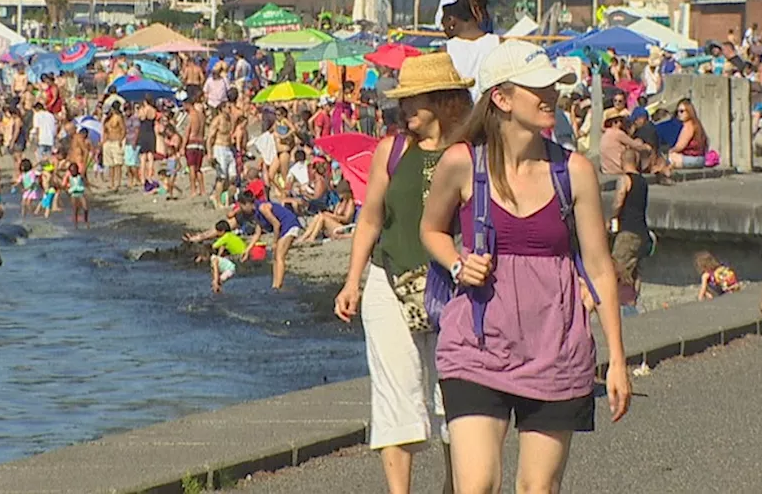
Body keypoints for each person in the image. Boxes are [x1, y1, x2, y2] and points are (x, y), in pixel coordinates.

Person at [419, 40, 631, 494]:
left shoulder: (573, 172)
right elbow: (431, 230)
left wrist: (617, 359)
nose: (551, 95)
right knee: (476, 485)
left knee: (537, 488)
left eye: (553, 86)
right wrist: (458, 264)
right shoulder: (462, 164)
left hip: (555, 345)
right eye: (538, 87)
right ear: (502, 98)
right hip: (476, 344)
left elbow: (599, 266)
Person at [333, 52, 474, 494]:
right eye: (404, 100)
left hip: (454, 285)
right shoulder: (391, 150)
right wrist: (352, 280)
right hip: (388, 280)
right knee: (396, 395)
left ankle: (455, 486)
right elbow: (371, 218)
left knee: (456, 396)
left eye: (416, 99)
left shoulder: (471, 152)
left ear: (444, 100)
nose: (406, 108)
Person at [440, 0, 502, 100]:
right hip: (491, 118)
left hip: (458, 119)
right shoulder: (500, 45)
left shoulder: (444, 52)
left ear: (451, 20)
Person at [609, 149, 650, 310]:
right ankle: (633, 304)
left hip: (628, 231)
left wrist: (612, 217)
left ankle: (624, 309)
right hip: (642, 232)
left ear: (622, 161)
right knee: (634, 272)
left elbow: (619, 200)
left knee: (617, 270)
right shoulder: (643, 181)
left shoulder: (625, 179)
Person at [236, 193, 302, 290]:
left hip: (289, 224)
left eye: (242, 207)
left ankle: (278, 286)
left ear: (247, 204)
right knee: (275, 257)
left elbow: (276, 224)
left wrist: (275, 242)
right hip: (283, 228)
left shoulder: (263, 208)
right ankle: (275, 285)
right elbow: (257, 234)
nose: (242, 210)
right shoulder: (256, 214)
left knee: (279, 256)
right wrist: (247, 250)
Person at [668, 98, 708, 169]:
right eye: (677, 112)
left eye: (682, 111)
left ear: (689, 111)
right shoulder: (697, 124)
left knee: (668, 157)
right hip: (701, 159)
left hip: (692, 160)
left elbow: (680, 146)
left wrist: (669, 151)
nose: (679, 114)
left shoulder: (688, 126)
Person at [102, 103, 126, 190]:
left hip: (116, 141)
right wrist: (102, 142)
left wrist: (120, 140)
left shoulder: (117, 118)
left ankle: (117, 183)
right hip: (108, 142)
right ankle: (111, 183)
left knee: (118, 164)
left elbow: (123, 129)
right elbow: (105, 132)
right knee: (110, 164)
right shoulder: (106, 120)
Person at [67, 161, 88, 228]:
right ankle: (76, 224)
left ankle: (86, 220)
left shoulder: (80, 176)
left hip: (81, 194)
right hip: (73, 194)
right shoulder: (69, 177)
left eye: (74, 170)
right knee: (75, 209)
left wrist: (84, 178)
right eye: (71, 170)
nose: (73, 172)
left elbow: (86, 182)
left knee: (85, 208)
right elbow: (66, 186)